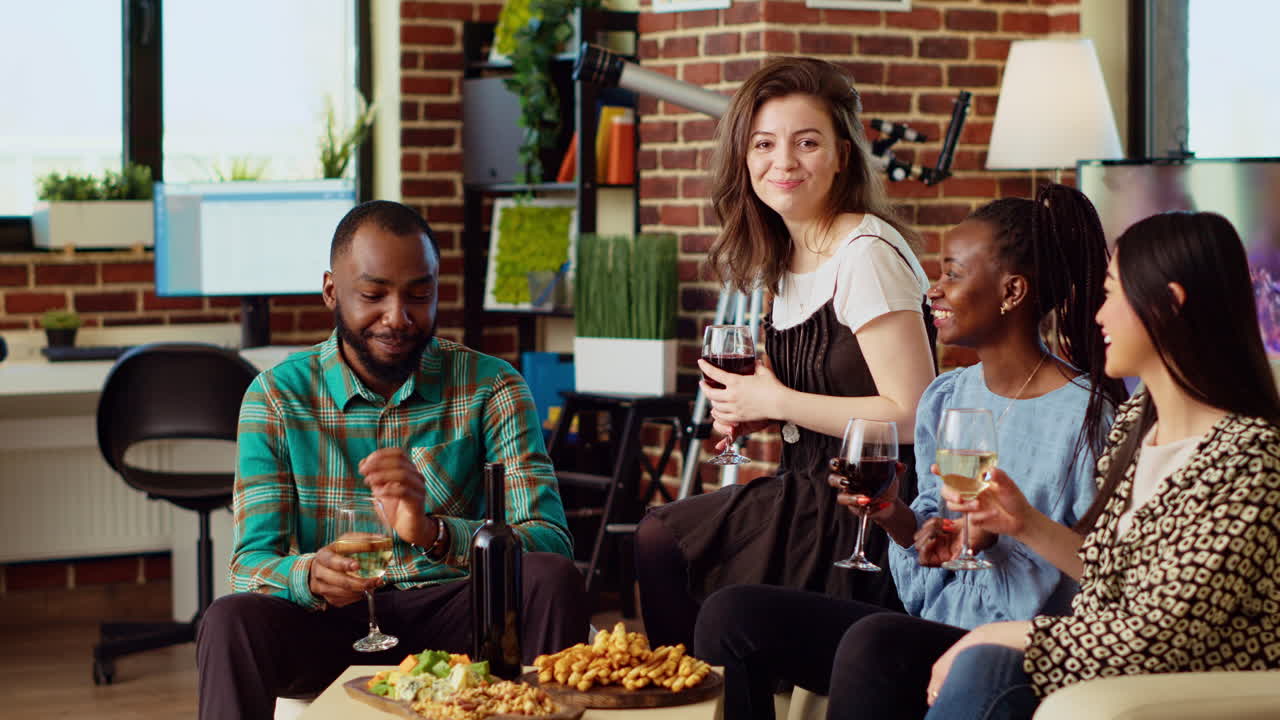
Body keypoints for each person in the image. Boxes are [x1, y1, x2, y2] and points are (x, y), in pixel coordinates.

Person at [695, 184, 1126, 720]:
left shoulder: (1086, 418)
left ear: (1012, 291)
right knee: (732, 615)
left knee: (874, 641)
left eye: (953, 274)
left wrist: (1006, 535)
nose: (933, 291)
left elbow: (1103, 575)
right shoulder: (948, 396)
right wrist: (894, 515)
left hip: (1010, 648)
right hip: (936, 627)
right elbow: (928, 548)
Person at [833, 211, 1280, 720]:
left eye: (1112, 294)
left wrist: (995, 635)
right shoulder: (1140, 425)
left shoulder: (1248, 459)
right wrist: (1020, 522)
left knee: (976, 662)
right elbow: (1107, 572)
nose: (1099, 316)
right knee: (879, 643)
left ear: (1169, 304)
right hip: (1089, 660)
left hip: (1167, 688)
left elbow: (1156, 635)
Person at [195, 201, 590, 719]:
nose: (398, 316)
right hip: (332, 625)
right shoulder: (275, 397)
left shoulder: (492, 386)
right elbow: (248, 566)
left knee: (549, 578)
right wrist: (309, 575)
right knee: (229, 620)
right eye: (373, 295)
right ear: (331, 291)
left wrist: (434, 532)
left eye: (419, 295)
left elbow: (550, 541)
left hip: (458, 617)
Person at [634, 56, 938, 652]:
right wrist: (763, 412)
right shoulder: (785, 255)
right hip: (803, 490)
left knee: (665, 541)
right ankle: (699, 690)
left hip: (869, 510)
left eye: (806, 142)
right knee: (662, 541)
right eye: (764, 144)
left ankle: (699, 689)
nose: (784, 162)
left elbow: (912, 414)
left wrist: (777, 401)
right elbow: (824, 395)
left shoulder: (865, 253)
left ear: (842, 154)